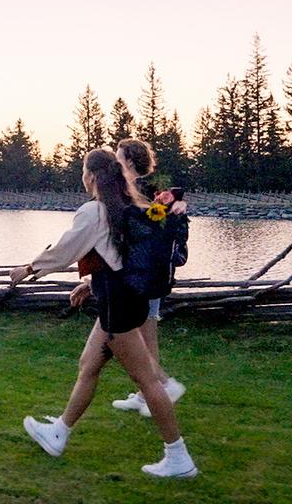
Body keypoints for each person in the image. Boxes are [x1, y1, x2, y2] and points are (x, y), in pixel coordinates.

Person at [10, 148, 198, 478]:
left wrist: (28, 268)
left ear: (92, 176)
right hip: (126, 300)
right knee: (88, 365)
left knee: (149, 382)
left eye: (83, 171)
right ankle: (59, 433)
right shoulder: (125, 206)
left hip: (119, 310)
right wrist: (90, 285)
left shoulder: (94, 211)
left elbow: (66, 250)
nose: (82, 177)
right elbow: (117, 259)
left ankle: (178, 457)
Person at [111, 138, 187, 417]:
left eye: (118, 157)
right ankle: (147, 394)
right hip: (150, 273)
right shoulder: (151, 190)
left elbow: (144, 229)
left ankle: (166, 386)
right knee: (146, 336)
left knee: (142, 338)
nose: (115, 162)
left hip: (146, 274)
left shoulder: (145, 190)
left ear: (129, 160)